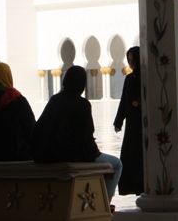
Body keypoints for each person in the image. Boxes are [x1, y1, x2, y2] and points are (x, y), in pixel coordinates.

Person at [32, 65, 122, 200]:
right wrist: (94, 154)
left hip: (48, 155)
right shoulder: (82, 104)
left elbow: (38, 129)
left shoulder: (54, 100)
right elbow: (87, 135)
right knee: (116, 164)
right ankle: (107, 207)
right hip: (73, 156)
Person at [113, 46, 143, 195]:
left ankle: (140, 186)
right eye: (129, 60)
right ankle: (131, 187)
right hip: (132, 124)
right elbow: (124, 100)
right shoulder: (129, 78)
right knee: (130, 155)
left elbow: (148, 95)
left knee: (140, 156)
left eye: (133, 60)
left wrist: (139, 101)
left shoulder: (146, 77)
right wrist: (119, 120)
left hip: (142, 123)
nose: (131, 63)